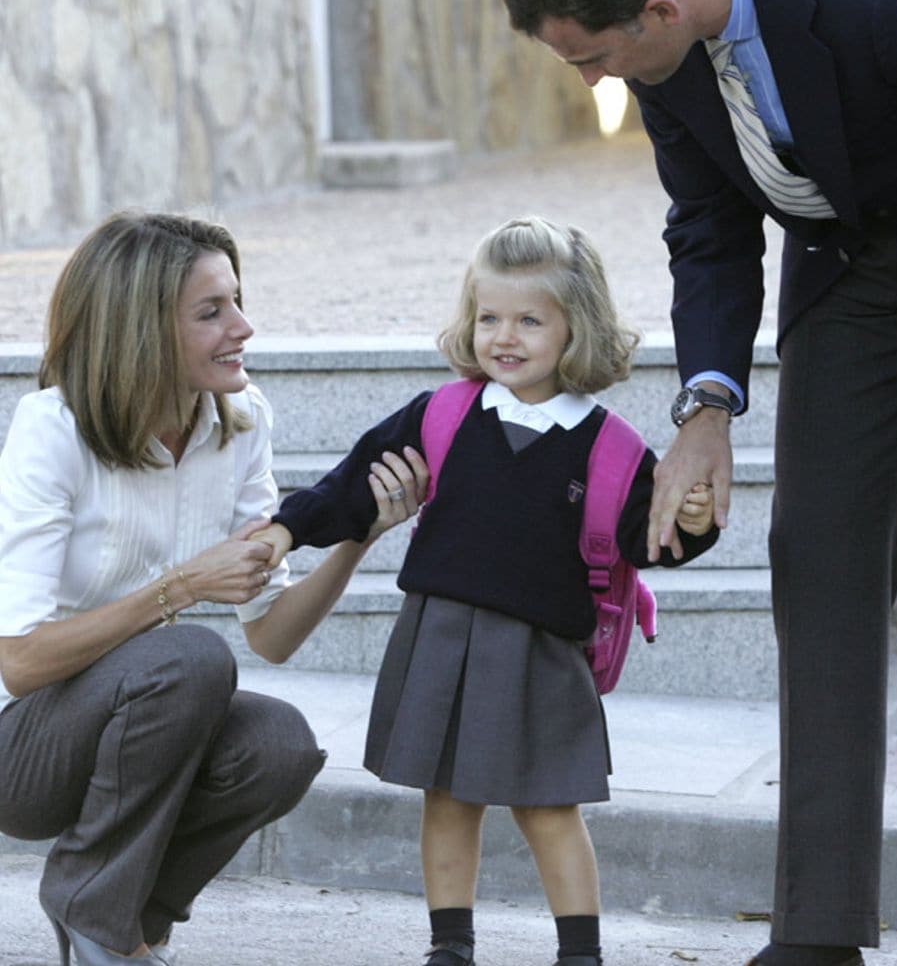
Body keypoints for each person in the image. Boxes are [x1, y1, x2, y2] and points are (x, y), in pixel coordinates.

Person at [503, 0, 897, 966]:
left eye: (591, 57)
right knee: (816, 562)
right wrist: (707, 409)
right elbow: (709, 225)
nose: (591, 83)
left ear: (664, 9)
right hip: (854, 261)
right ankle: (817, 934)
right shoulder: (665, 55)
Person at [253, 215, 719, 966]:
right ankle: (451, 946)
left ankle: (580, 953)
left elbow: (647, 539)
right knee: (447, 797)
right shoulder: (443, 416)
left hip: (541, 650)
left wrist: (692, 523)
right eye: (489, 316)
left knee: (548, 808)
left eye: (530, 319)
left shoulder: (611, 448)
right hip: (438, 635)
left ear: (579, 328)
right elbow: (352, 483)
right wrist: (284, 530)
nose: (504, 335)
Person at [0, 211, 428, 965]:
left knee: (278, 746)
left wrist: (359, 536)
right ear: (141, 328)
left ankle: (133, 926)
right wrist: (181, 587)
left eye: (236, 300)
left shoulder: (239, 421)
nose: (244, 327)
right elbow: (22, 664)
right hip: (22, 747)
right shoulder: (53, 429)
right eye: (211, 312)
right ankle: (90, 911)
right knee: (191, 656)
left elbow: (272, 633)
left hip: (135, 718)